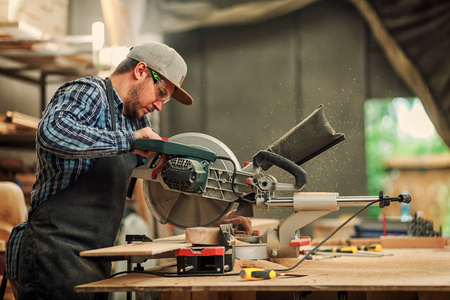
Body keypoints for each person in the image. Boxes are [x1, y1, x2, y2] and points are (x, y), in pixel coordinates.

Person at [4, 42, 252, 300]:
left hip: (95, 257)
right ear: (141, 70)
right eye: (161, 93)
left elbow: (160, 181)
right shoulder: (89, 92)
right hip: (53, 253)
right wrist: (129, 141)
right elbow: (52, 132)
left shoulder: (135, 120)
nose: (159, 105)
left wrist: (212, 214)